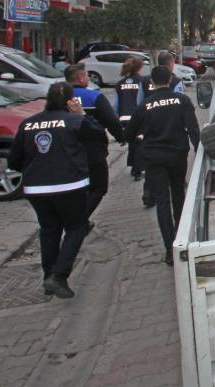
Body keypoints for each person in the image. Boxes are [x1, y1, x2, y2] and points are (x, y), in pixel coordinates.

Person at [8, 81, 102, 299]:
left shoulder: (27, 124)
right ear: (71, 101)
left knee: (49, 230)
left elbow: (13, 161)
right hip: (70, 186)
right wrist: (82, 114)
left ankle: (48, 276)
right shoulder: (74, 121)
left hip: (36, 189)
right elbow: (98, 136)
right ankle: (59, 275)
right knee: (76, 227)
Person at [125, 66, 201, 266]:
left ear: (152, 82)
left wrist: (141, 139)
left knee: (162, 201)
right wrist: (200, 151)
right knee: (178, 195)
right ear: (170, 80)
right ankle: (182, 238)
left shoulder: (145, 105)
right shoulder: (182, 101)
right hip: (177, 155)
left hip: (154, 158)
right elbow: (193, 129)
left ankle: (169, 249)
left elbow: (128, 135)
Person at [65, 64, 125, 224]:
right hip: (93, 150)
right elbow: (111, 120)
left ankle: (75, 218)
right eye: (86, 76)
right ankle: (79, 221)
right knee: (99, 187)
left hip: (67, 150)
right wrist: (121, 137)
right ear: (80, 78)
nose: (88, 79)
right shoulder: (94, 96)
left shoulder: (60, 98)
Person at [115, 56, 148, 182]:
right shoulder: (142, 81)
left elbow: (116, 105)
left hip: (124, 118)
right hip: (137, 117)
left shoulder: (120, 84)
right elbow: (143, 100)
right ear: (139, 68)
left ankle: (133, 166)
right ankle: (137, 170)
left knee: (132, 143)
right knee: (139, 143)